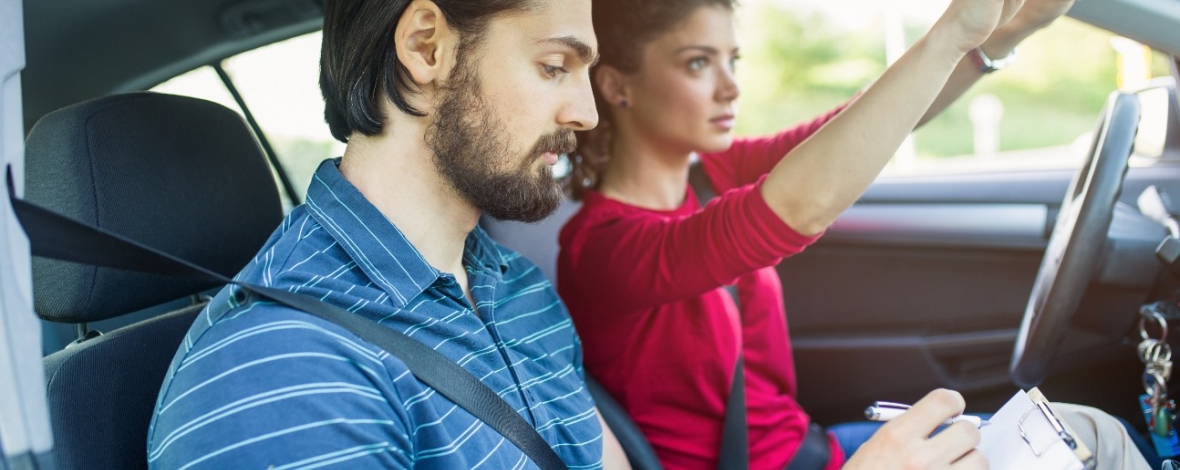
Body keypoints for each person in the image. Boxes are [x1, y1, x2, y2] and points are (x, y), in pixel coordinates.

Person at [144, 0, 1073, 469]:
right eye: (556, 65)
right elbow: (797, 203)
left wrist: (987, 41)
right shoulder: (278, 374)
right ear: (425, 49)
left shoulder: (507, 288)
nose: (587, 112)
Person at [556, 0, 1155, 469]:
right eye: (697, 62)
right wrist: (949, 32)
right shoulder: (601, 250)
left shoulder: (710, 175)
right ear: (614, 86)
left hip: (811, 449)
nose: (730, 86)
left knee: (1076, 432)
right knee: (1092, 441)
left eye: (732, 60)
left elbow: (858, 128)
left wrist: (1000, 35)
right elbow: (795, 208)